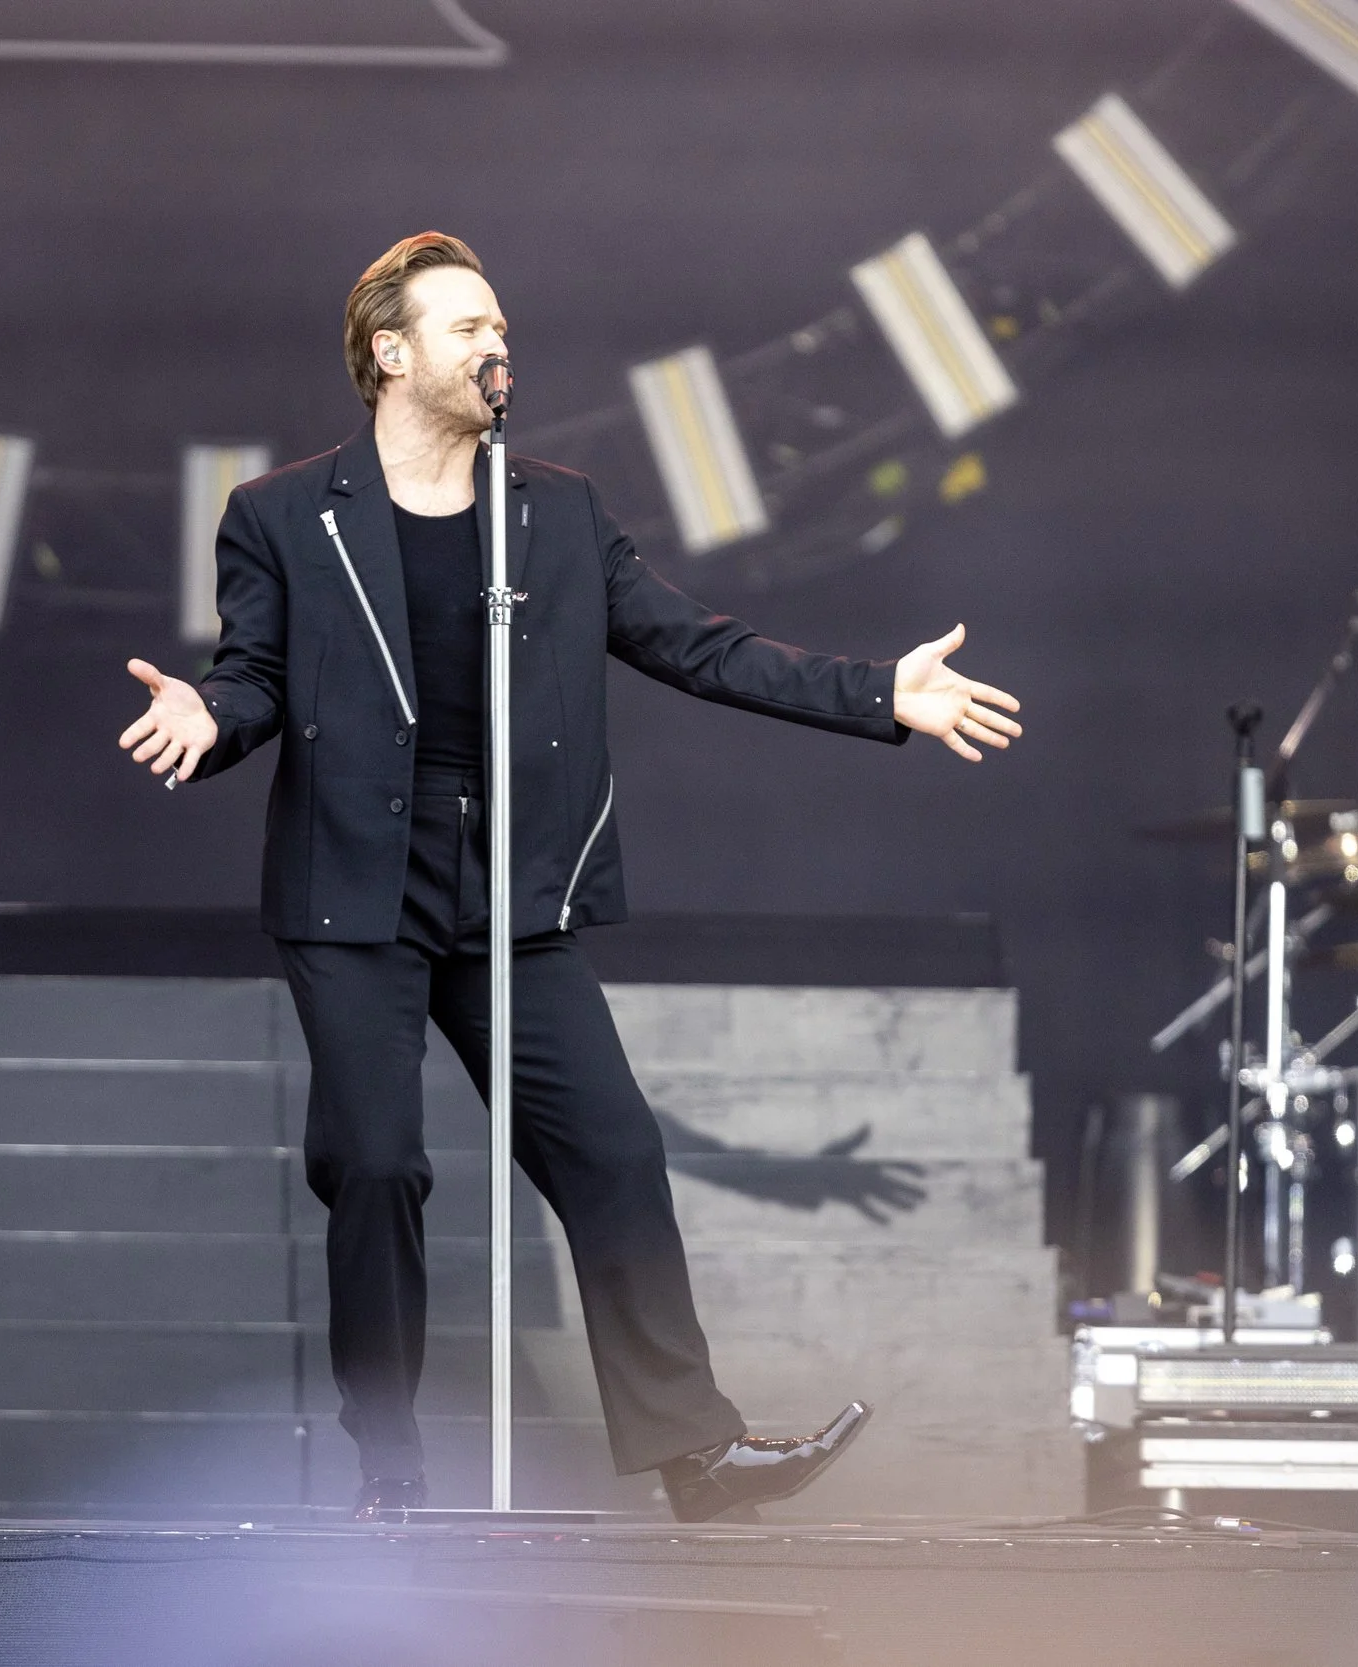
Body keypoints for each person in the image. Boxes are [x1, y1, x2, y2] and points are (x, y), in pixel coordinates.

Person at [117, 232, 1022, 1522]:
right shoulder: (281, 515)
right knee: (376, 1166)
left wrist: (880, 695)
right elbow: (254, 672)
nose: (496, 345)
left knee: (614, 1153)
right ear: (390, 353)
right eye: (465, 326)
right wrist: (210, 717)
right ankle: (390, 1472)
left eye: (502, 327)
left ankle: (694, 1457)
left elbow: (696, 646)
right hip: (354, 884)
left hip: (509, 891)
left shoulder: (552, 511)